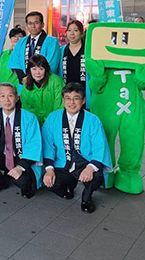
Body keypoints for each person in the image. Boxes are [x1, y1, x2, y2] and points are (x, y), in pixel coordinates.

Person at [42, 82, 112, 213]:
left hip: (84, 162)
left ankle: (86, 198)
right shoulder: (53, 118)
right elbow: (47, 145)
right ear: (63, 100)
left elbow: (99, 146)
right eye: (68, 98)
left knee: (96, 176)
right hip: (63, 162)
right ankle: (67, 188)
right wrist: (49, 169)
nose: (72, 102)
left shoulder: (92, 120)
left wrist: (90, 167)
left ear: (84, 100)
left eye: (76, 98)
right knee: (48, 181)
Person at [0, 83, 43, 198]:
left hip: (20, 157)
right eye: (2, 96)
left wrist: (20, 167)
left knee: (24, 182)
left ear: (17, 97)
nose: (6, 100)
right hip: (0, 155)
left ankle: (14, 177)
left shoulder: (29, 118)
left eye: (10, 96)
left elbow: (33, 144)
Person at [8, 11, 64, 80]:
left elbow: (52, 63)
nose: (33, 26)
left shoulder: (52, 41)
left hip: (44, 82)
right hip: (25, 83)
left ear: (42, 24)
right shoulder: (21, 42)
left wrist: (35, 78)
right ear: (26, 25)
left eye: (36, 23)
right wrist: (23, 77)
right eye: (30, 23)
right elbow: (15, 61)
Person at [19, 54, 65, 123]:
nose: (37, 72)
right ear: (29, 70)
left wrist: (49, 123)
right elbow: (27, 109)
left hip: (55, 122)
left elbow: (59, 106)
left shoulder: (56, 82)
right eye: (34, 69)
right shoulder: (26, 86)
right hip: (35, 124)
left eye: (41, 69)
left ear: (46, 69)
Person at [61, 20, 87, 86]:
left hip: (84, 91)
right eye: (69, 30)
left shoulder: (87, 50)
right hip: (66, 91)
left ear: (81, 33)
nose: (72, 33)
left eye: (76, 30)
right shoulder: (61, 50)